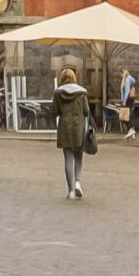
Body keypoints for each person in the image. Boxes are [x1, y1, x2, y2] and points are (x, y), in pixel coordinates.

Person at [54, 64, 93, 199]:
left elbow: (55, 111)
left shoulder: (58, 93)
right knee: (78, 156)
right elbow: (87, 111)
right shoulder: (81, 93)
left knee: (68, 158)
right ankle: (77, 182)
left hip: (65, 127)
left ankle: (70, 191)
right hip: (78, 127)